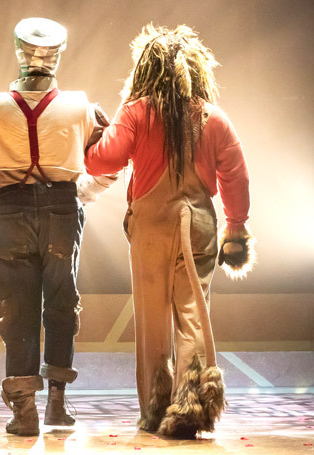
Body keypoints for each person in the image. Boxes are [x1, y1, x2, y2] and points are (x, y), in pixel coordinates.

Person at [85, 24, 254, 438]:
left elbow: (102, 162)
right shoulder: (215, 118)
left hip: (149, 227)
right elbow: (236, 175)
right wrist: (236, 230)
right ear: (197, 71)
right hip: (197, 223)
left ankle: (154, 406)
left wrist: (92, 138)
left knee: (151, 318)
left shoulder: (136, 111)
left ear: (146, 69)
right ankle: (190, 406)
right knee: (194, 313)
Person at [0, 18, 116, 436]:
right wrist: (83, 192)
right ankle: (57, 406)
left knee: (17, 308)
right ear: (57, 56)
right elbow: (111, 162)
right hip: (62, 210)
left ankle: (24, 411)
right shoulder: (83, 106)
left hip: (9, 212)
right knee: (61, 303)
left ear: (19, 52)